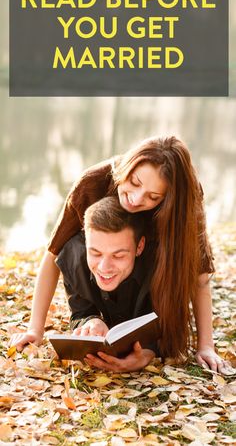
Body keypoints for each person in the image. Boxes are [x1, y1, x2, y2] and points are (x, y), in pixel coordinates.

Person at [9, 136, 227, 372]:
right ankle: (91, 319)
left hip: (152, 287)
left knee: (170, 257)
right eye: (134, 182)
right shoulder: (93, 182)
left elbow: (199, 276)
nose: (135, 199)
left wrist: (205, 346)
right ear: (128, 167)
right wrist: (35, 328)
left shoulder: (186, 200)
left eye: (153, 197)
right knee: (74, 247)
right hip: (104, 284)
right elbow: (53, 255)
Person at [56, 196, 156, 372]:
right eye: (95, 253)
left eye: (118, 256)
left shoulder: (159, 268)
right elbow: (80, 312)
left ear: (139, 247)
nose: (104, 267)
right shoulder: (73, 259)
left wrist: (147, 355)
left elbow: (172, 325)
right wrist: (91, 320)